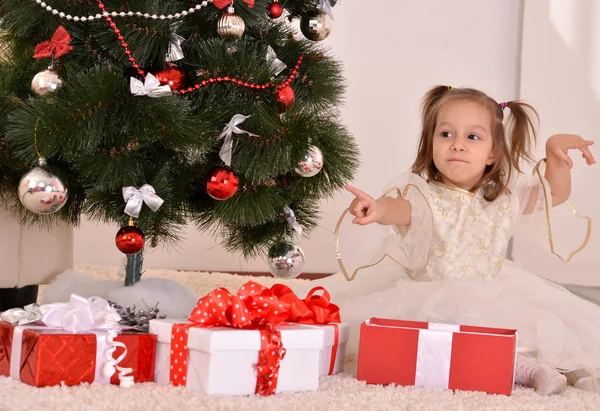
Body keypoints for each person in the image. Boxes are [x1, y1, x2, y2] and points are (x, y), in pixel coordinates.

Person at [298, 85, 599, 395]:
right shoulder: (424, 197)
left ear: (493, 153)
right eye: (446, 134)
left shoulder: (503, 201)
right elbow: (399, 209)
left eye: (473, 137)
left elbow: (555, 194)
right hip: (430, 294)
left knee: (538, 328)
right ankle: (529, 370)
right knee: (443, 334)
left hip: (492, 290)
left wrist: (554, 152)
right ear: (430, 145)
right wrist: (378, 208)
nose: (457, 145)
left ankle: (571, 368)